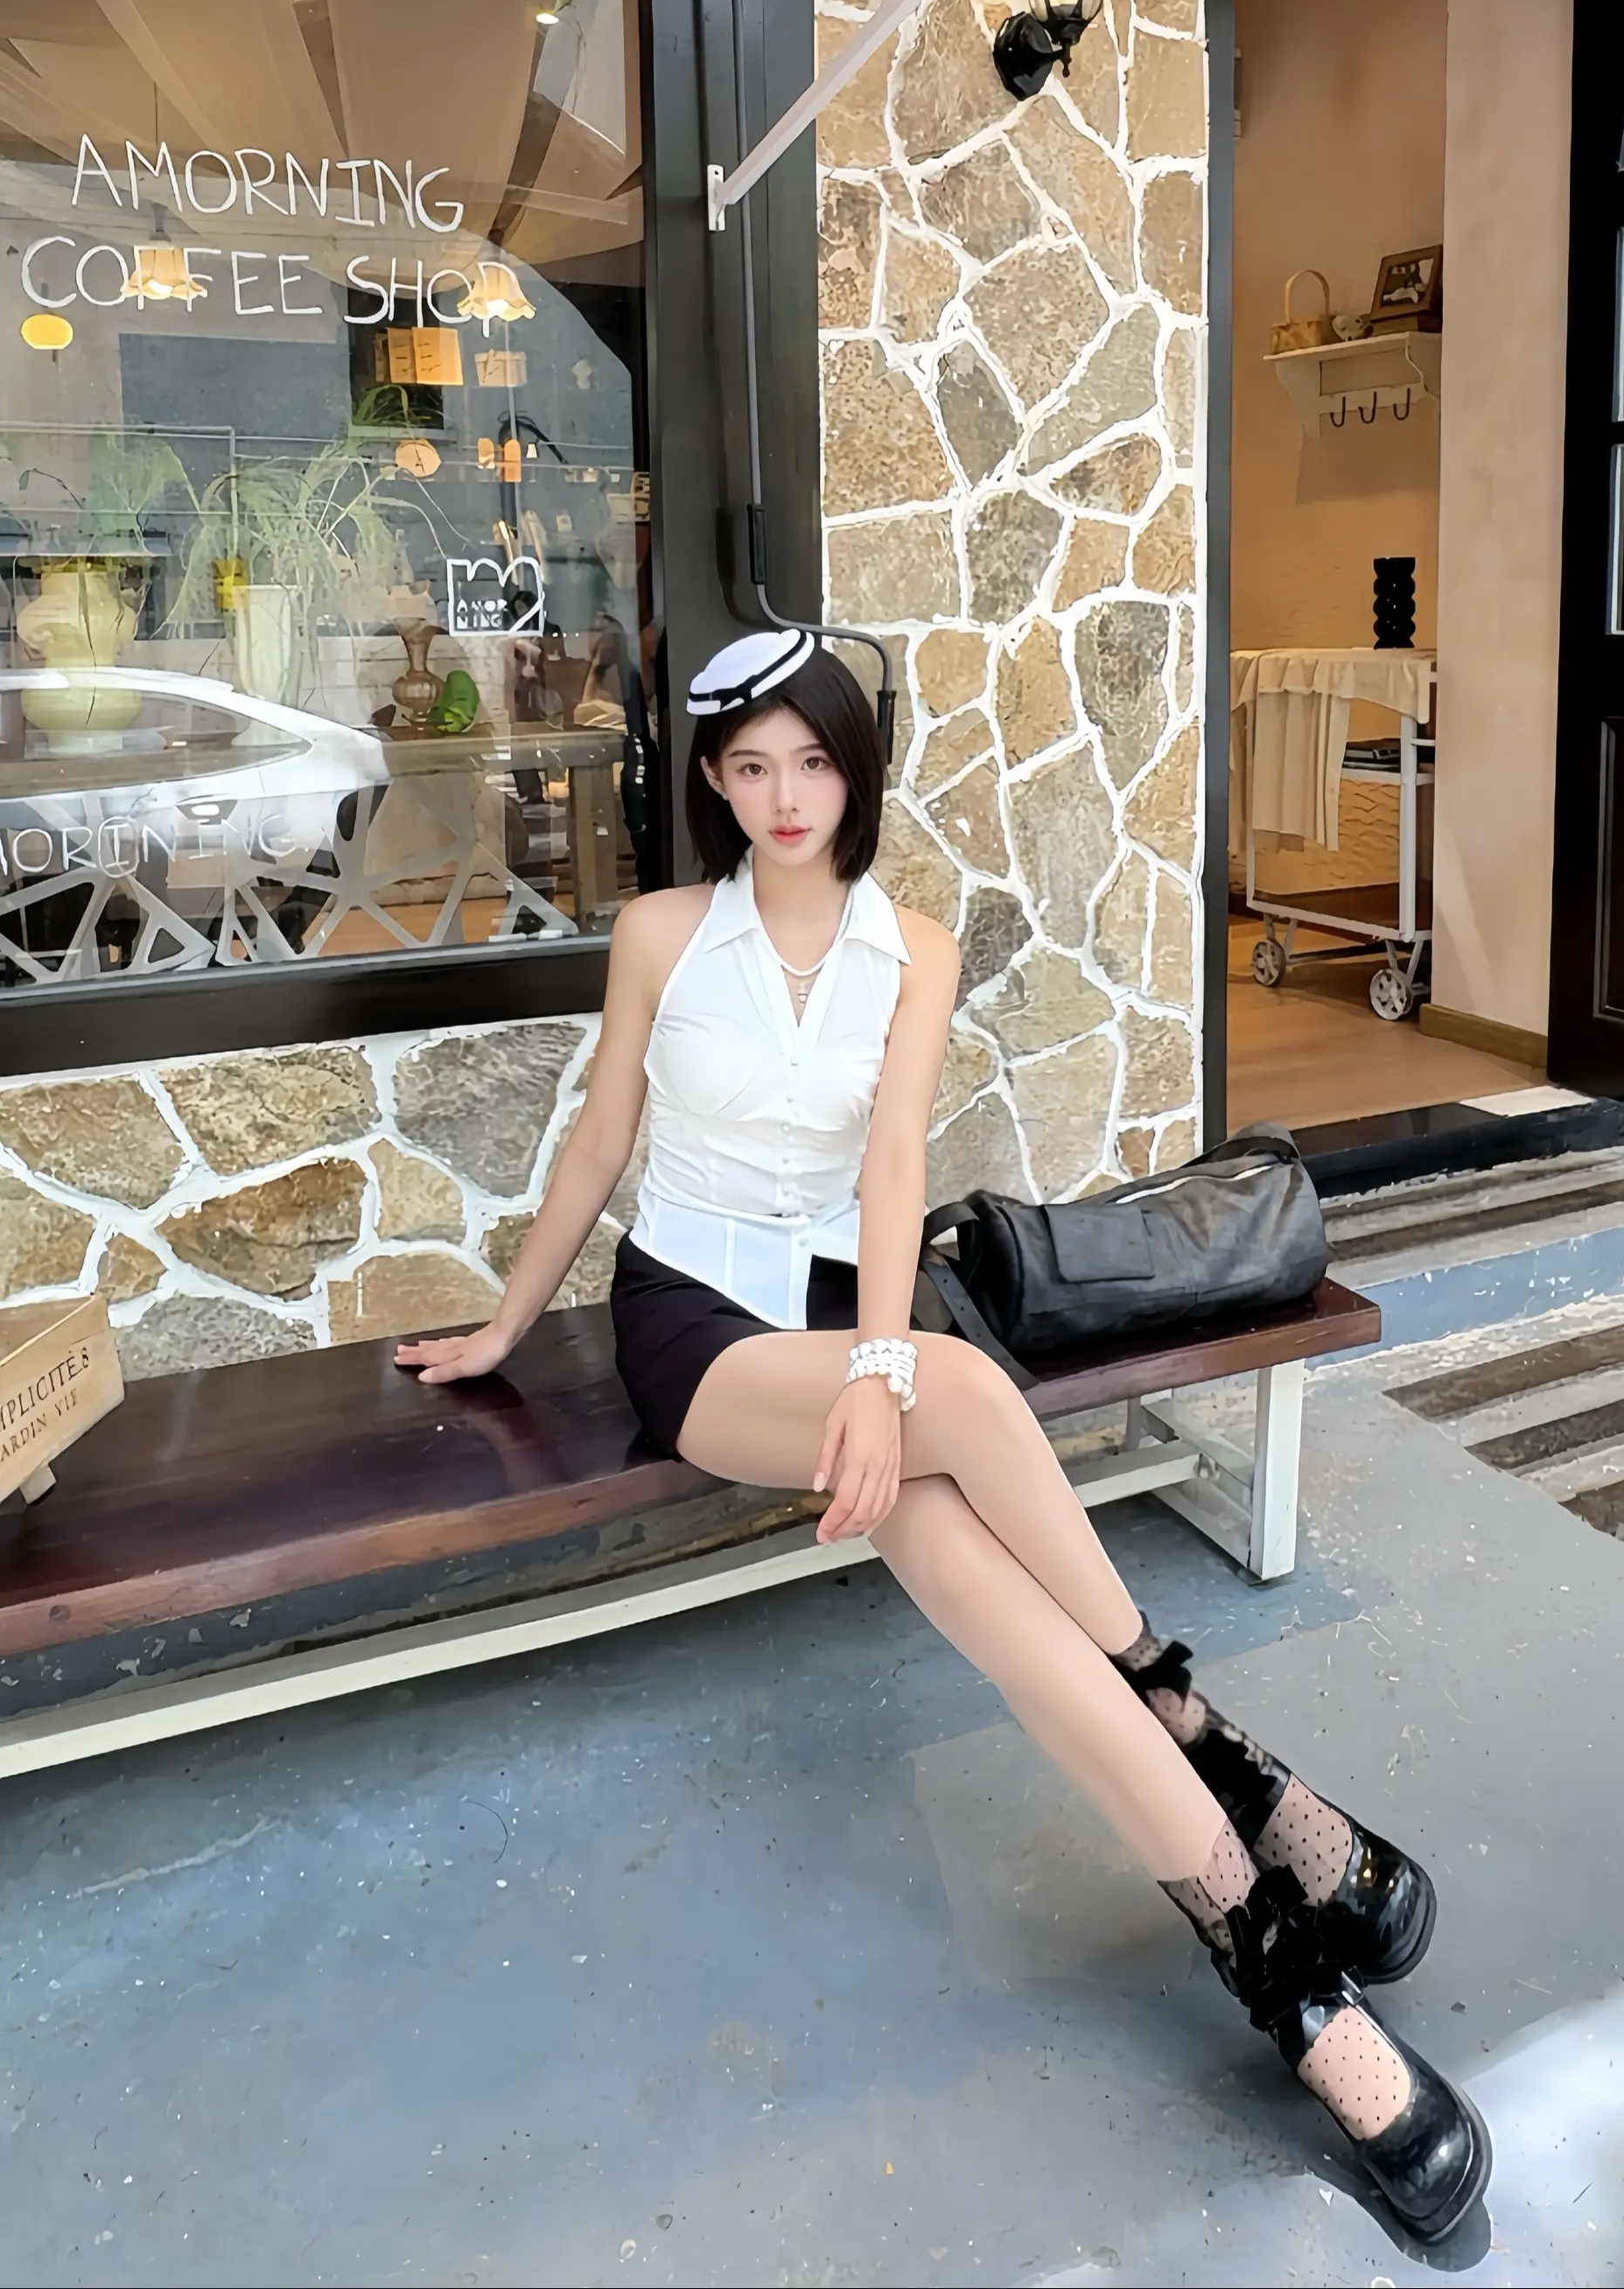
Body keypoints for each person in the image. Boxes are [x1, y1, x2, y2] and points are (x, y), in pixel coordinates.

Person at [396, 626, 1491, 2243]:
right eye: (752, 765)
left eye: (814, 761)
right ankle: (1195, 1722)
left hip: (852, 1302)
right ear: (712, 779)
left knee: (973, 1571)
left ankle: (1272, 1961)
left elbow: (894, 1160)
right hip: (697, 1318)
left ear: (856, 771)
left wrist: (871, 1367)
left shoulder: (911, 947)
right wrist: (507, 1323)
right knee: (963, 1397)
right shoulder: (658, 933)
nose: (787, 795)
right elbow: (600, 1140)